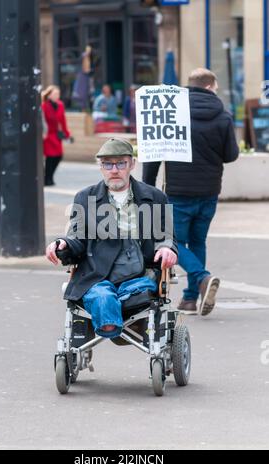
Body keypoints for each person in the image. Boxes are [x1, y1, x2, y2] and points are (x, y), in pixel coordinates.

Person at [46, 138, 178, 338]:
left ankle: (114, 319)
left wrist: (166, 248)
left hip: (141, 274)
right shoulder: (85, 198)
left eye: (120, 163)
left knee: (137, 292)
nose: (114, 170)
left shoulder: (155, 197)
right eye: (108, 164)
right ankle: (115, 328)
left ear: (132, 164)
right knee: (102, 295)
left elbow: (166, 235)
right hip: (97, 274)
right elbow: (77, 237)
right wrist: (63, 243)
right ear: (100, 167)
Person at [143, 68, 239, 316]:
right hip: (209, 191)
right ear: (209, 87)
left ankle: (201, 278)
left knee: (172, 242)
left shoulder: (172, 113)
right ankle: (189, 299)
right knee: (197, 241)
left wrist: (148, 186)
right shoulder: (223, 116)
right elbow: (231, 156)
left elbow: (155, 152)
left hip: (178, 191)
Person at [42, 85, 71, 186]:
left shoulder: (60, 105)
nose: (57, 96)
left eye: (58, 94)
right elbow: (42, 121)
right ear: (49, 95)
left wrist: (66, 133)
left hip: (56, 134)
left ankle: (49, 177)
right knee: (50, 158)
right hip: (47, 135)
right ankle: (47, 179)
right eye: (55, 94)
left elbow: (63, 120)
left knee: (59, 156)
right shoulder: (44, 106)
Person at [72, 45, 93, 111]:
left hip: (84, 79)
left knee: (85, 96)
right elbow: (86, 69)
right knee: (82, 96)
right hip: (82, 79)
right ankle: (83, 110)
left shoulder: (87, 57)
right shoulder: (85, 57)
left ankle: (84, 109)